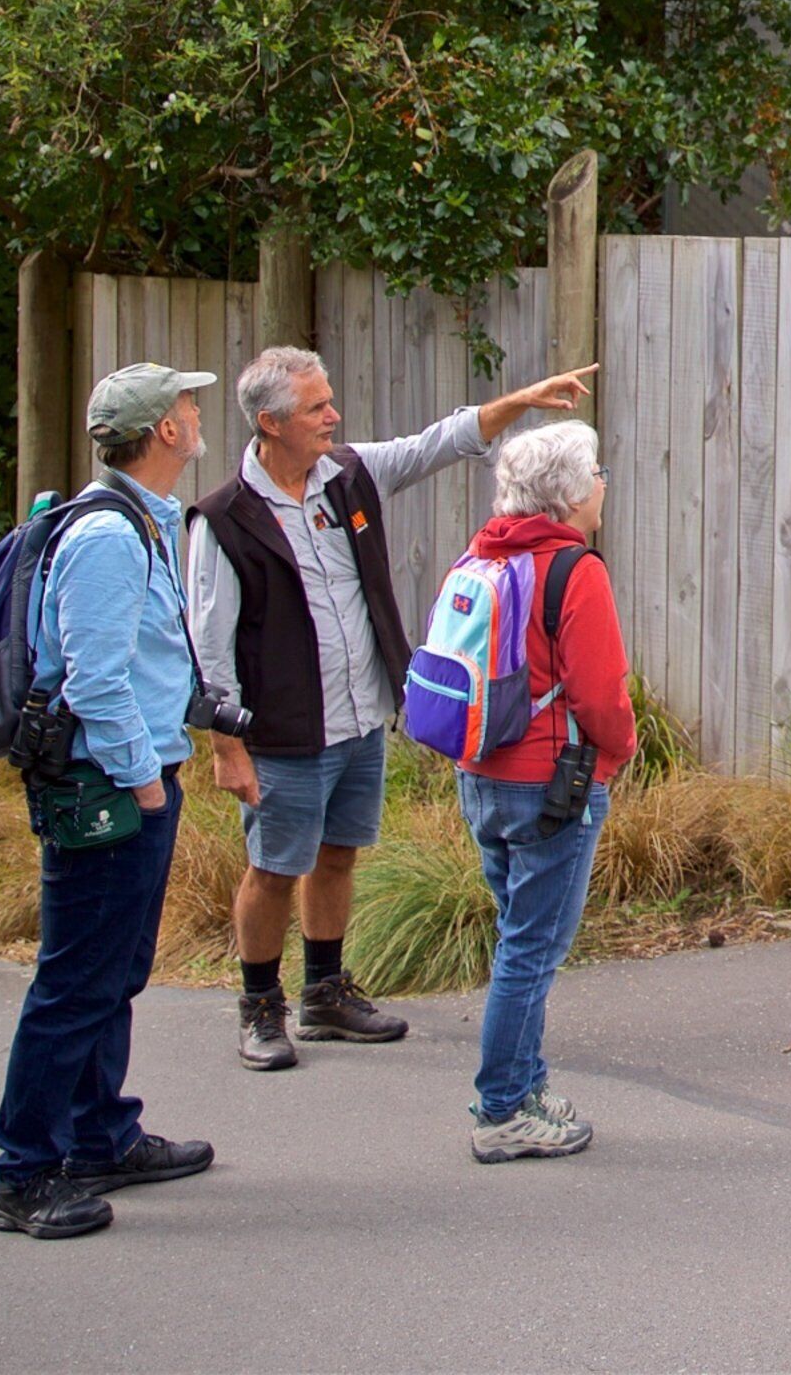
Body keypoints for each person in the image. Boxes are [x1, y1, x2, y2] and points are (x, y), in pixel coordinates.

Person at [187, 347, 593, 1071]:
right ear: (272, 422)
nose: (333, 417)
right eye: (317, 408)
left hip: (360, 713)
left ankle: (323, 994)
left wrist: (522, 399)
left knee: (338, 856)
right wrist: (225, 745)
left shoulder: (346, 474)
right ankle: (259, 1006)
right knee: (274, 866)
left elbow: (438, 442)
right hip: (283, 728)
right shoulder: (224, 518)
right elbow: (208, 642)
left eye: (330, 401)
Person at [0, 363, 224, 1240]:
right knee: (75, 980)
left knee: (112, 972)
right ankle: (26, 1172)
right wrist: (143, 786)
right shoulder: (108, 538)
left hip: (134, 778)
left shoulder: (143, 522)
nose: (198, 414)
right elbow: (94, 681)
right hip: (105, 790)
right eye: (189, 405)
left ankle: (98, 1137)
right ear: (165, 429)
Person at [451, 420, 638, 1162]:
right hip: (552, 784)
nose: (601, 486)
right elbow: (600, 694)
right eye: (595, 473)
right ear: (566, 493)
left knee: (515, 937)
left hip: (482, 775)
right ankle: (503, 1110)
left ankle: (525, 1085)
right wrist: (615, 755)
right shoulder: (574, 569)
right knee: (530, 951)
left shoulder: (483, 555)